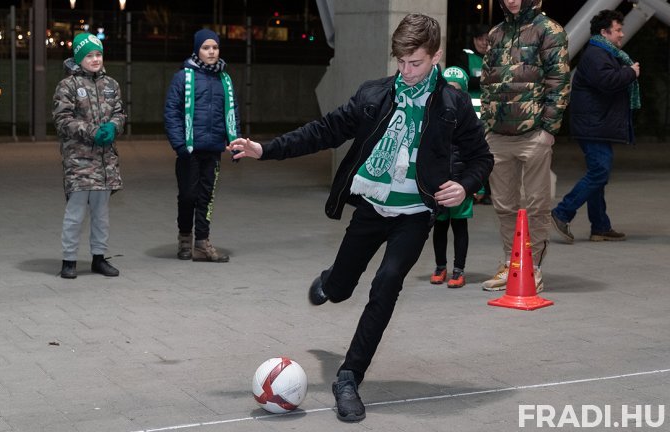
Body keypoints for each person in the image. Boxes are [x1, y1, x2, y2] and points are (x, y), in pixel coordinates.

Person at [228, 14, 493, 422]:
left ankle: (349, 377)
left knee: (387, 283)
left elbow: (481, 158)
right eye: (401, 62)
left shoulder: (452, 105)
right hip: (371, 207)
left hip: (414, 215)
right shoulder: (375, 95)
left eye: (416, 63)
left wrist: (465, 185)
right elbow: (325, 130)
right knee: (340, 289)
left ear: (436, 56)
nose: (407, 71)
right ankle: (332, 281)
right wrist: (267, 150)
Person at [480, 0, 570, 292]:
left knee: (536, 206)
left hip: (534, 135)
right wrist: (487, 125)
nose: (512, 0)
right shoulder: (496, 33)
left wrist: (548, 129)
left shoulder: (549, 30)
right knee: (504, 205)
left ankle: (533, 268)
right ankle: (511, 263)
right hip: (498, 135)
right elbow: (487, 82)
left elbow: (559, 81)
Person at [551, 9, 637, 244]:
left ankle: (600, 227)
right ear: (604, 32)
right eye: (618, 30)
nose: (621, 34)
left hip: (597, 124)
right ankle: (562, 212)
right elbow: (607, 82)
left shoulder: (602, 53)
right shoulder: (596, 55)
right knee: (599, 172)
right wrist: (630, 72)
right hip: (593, 126)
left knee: (598, 175)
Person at [164, 29, 240, 263]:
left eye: (215, 47)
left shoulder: (224, 80)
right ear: (197, 50)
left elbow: (232, 112)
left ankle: (202, 244)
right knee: (188, 196)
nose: (211, 52)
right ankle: (185, 239)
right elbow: (171, 112)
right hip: (189, 150)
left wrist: (235, 142)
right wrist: (179, 144)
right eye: (206, 48)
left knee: (206, 197)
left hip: (213, 149)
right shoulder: (183, 77)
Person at [52, 32, 124, 279]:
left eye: (98, 54)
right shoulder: (68, 86)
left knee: (101, 215)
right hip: (79, 161)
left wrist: (113, 126)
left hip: (105, 162)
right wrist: (92, 131)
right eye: (89, 55)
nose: (95, 59)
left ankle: (99, 258)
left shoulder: (111, 85)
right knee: (75, 214)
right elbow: (62, 120)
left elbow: (119, 113)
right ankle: (69, 260)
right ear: (78, 58)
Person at [430, 67, 481, 288]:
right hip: (440, 185)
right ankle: (440, 266)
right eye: (448, 89)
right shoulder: (434, 118)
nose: (452, 94)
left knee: (460, 227)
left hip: (462, 184)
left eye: (457, 89)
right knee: (439, 226)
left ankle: (458, 269)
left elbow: (479, 158)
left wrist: (477, 186)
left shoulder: (470, 122)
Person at [458, 24, 493, 205]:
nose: (484, 43)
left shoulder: (497, 57)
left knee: (490, 154)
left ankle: (486, 192)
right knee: (470, 154)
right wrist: (487, 80)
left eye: (487, 39)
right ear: (474, 40)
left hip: (492, 117)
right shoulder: (465, 57)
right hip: (470, 117)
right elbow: (462, 81)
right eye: (480, 39)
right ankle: (471, 191)